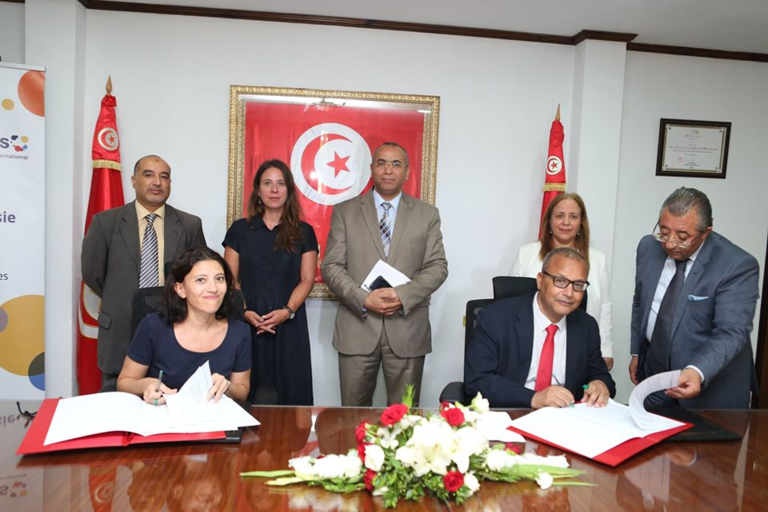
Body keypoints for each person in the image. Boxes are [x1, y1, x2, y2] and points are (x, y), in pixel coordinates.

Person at [322, 142, 448, 406]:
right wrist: (364, 299)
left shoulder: (427, 214)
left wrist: (401, 295)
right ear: (371, 169)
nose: (388, 170)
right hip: (357, 327)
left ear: (407, 171)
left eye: (396, 164)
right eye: (381, 163)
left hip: (407, 330)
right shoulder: (345, 211)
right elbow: (331, 266)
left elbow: (437, 267)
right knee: (352, 419)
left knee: (404, 421)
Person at [82, 155, 206, 389]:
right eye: (148, 175)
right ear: (133, 180)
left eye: (164, 176)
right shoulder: (106, 223)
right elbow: (93, 273)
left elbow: (199, 275)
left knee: (169, 406)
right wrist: (125, 298)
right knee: (117, 408)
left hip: (174, 329)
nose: (157, 182)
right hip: (120, 330)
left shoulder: (190, 225)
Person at [630, 187, 759, 408]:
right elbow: (641, 300)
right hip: (655, 375)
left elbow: (731, 331)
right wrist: (636, 351)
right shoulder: (648, 247)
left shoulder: (736, 265)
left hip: (710, 388)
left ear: (705, 233)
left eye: (682, 237)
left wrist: (697, 371)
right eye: (664, 231)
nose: (670, 243)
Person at [466, 248, 615, 409]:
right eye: (560, 281)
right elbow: (478, 381)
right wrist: (534, 398)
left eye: (578, 285)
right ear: (540, 280)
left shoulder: (586, 326)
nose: (569, 293)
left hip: (565, 419)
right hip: (512, 414)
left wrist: (600, 384)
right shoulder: (495, 317)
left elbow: (600, 375)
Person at [223, 160, 318, 405]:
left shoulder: (304, 231)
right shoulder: (239, 230)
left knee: (292, 396)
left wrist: (287, 311)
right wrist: (243, 312)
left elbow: (307, 279)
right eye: (267, 183)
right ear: (258, 190)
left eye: (280, 184)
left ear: (289, 191)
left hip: (289, 319)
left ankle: (294, 445)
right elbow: (228, 278)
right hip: (246, 319)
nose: (274, 190)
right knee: (245, 393)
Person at [117, 247, 251, 404]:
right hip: (162, 420)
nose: (213, 288)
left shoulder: (239, 332)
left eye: (219, 279)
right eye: (201, 280)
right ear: (180, 289)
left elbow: (242, 391)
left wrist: (227, 386)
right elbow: (124, 383)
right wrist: (146, 384)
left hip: (212, 423)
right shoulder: (153, 326)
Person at [511, 192, 614, 370]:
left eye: (573, 216)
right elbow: (511, 304)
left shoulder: (598, 259)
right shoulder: (526, 253)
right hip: (530, 343)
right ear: (549, 221)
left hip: (578, 344)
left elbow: (604, 306)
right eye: (559, 216)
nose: (566, 222)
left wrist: (605, 349)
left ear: (581, 223)